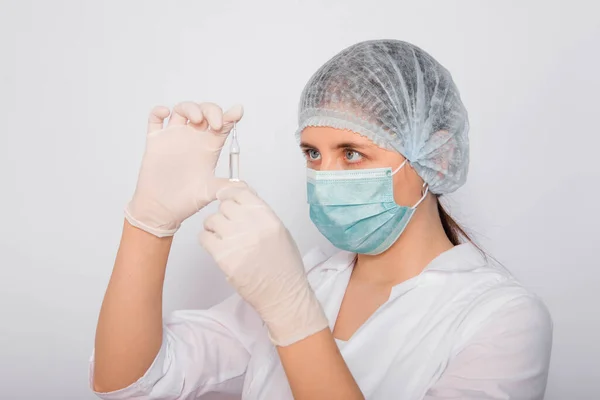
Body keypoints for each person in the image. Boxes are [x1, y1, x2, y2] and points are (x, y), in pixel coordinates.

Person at [90, 39, 553, 400]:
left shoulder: (501, 319)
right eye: (312, 153)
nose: (324, 176)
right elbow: (132, 382)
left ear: (437, 155)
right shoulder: (307, 276)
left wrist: (293, 316)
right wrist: (149, 222)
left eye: (352, 153)